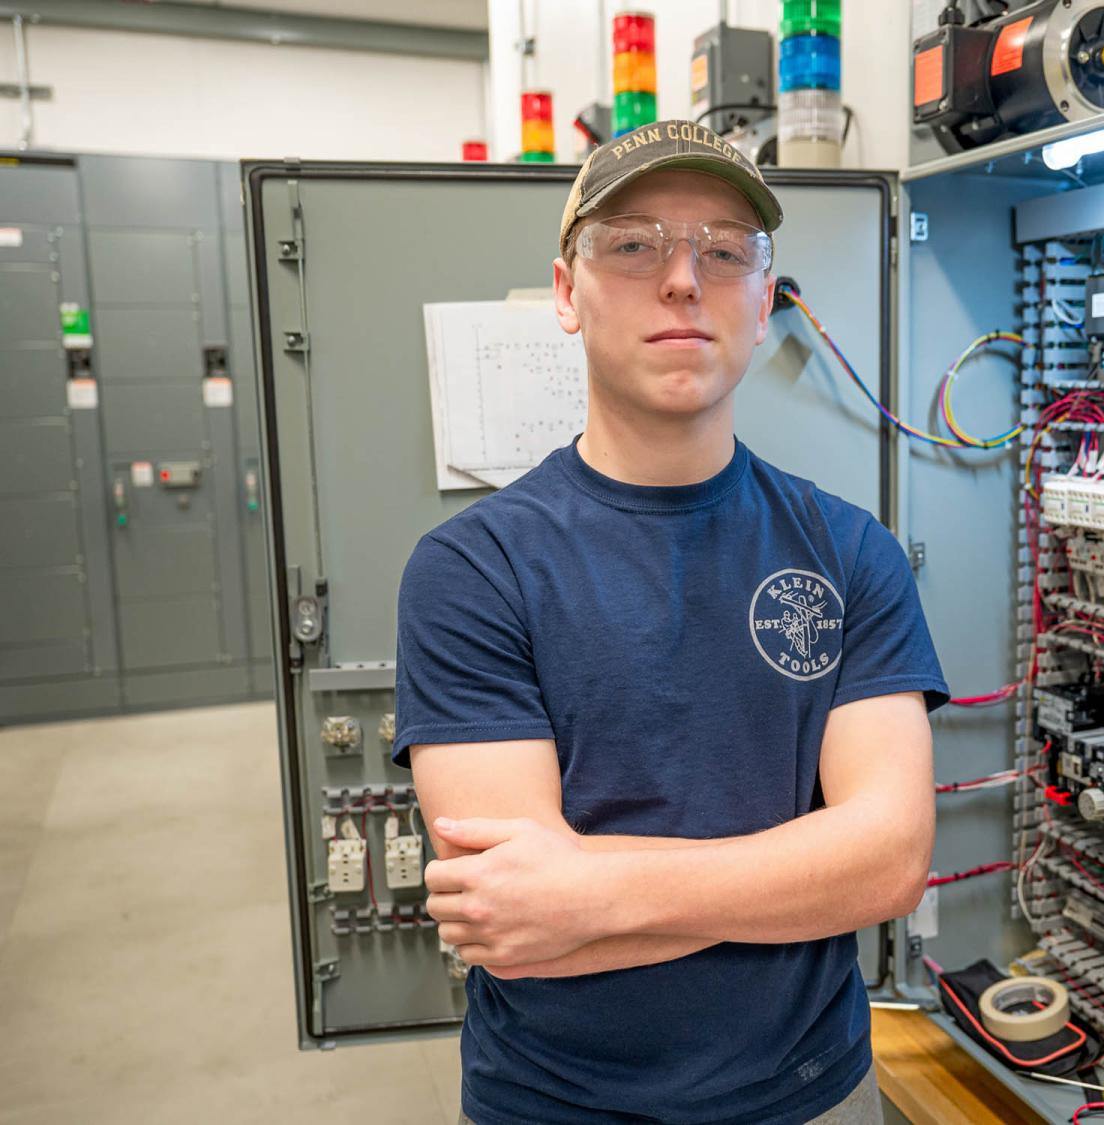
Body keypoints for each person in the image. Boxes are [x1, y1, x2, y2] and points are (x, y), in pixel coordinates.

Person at [393, 120, 949, 1125]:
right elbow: (510, 917)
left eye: (726, 250)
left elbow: (889, 858)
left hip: (814, 1095)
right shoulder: (474, 570)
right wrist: (794, 876)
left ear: (767, 303)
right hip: (553, 1105)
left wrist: (589, 894)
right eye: (635, 244)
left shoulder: (850, 551)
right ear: (567, 292)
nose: (685, 280)